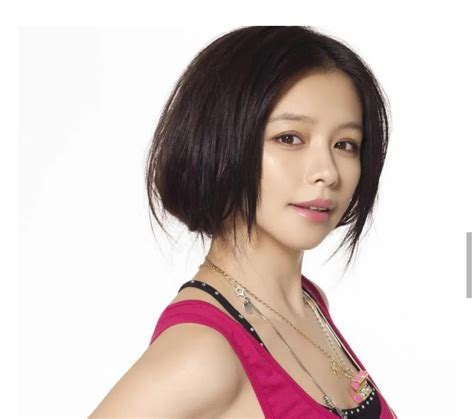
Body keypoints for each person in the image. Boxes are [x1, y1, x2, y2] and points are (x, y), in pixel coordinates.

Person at [89, 26, 397, 418]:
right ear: (219, 142)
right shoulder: (203, 351)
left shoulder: (308, 304)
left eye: (345, 144)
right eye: (290, 138)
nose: (328, 172)